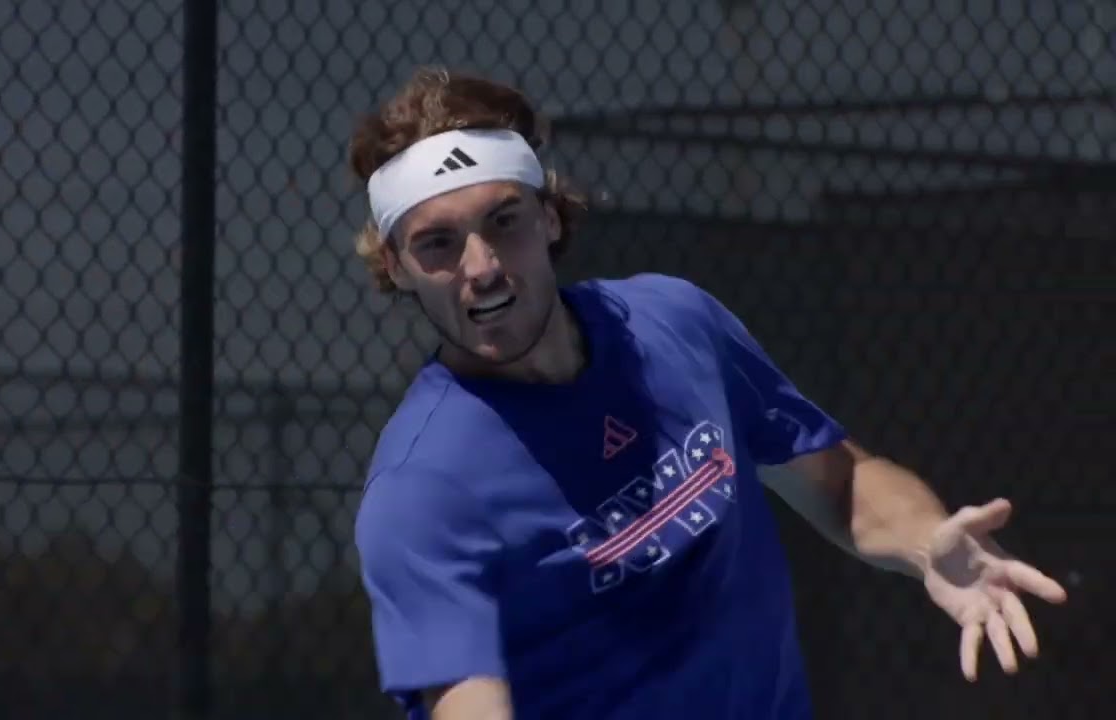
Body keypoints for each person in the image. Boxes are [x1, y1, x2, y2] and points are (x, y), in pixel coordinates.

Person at [347, 67, 1068, 720]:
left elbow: (841, 482)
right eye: (437, 243)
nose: (481, 267)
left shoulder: (676, 321)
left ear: (550, 216)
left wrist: (923, 542)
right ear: (397, 267)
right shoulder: (421, 490)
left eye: (504, 221)